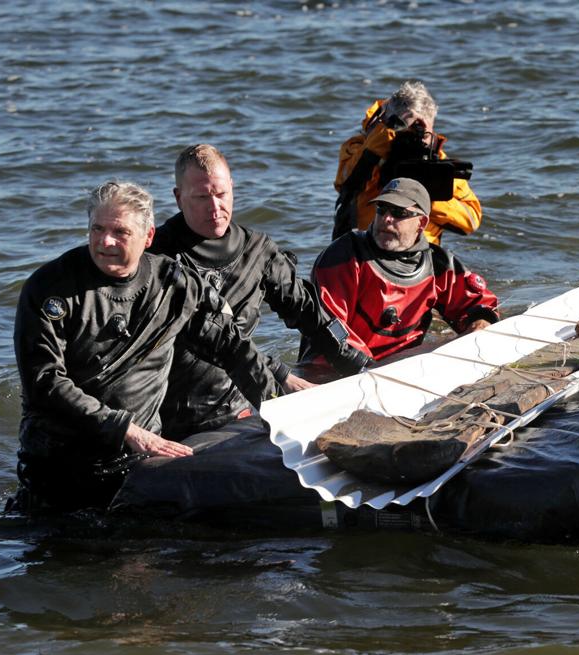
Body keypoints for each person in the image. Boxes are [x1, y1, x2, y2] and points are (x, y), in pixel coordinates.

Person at [11, 181, 284, 513]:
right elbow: (45, 383)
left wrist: (279, 412)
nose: (104, 241)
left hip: (142, 461)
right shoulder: (49, 288)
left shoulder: (174, 285)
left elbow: (232, 348)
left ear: (148, 238)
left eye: (120, 232)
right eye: (97, 229)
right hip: (61, 464)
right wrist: (125, 428)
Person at [150, 144, 340, 440]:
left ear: (232, 189)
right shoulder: (156, 260)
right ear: (178, 198)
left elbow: (310, 315)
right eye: (201, 197)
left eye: (221, 195)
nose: (215, 209)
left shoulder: (257, 251)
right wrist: (280, 375)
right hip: (171, 418)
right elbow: (209, 337)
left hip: (241, 403)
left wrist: (359, 363)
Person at [300, 178, 498, 377]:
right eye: (381, 209)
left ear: (421, 222)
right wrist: (377, 369)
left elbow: (480, 305)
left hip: (402, 371)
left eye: (398, 213)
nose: (386, 219)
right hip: (332, 374)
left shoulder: (438, 265)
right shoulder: (344, 257)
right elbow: (330, 331)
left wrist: (479, 325)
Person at [332, 80, 481, 245]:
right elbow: (345, 183)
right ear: (389, 123)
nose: (413, 137)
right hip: (366, 246)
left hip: (420, 255)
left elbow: (471, 220)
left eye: (422, 132)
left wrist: (427, 195)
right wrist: (380, 143)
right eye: (406, 129)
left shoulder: (438, 163)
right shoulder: (363, 148)